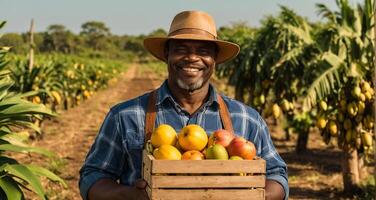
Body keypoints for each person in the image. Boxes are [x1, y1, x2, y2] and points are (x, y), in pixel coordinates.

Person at [79, 10, 288, 200]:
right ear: (166, 55)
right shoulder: (126, 116)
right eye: (181, 49)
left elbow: (277, 176)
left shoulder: (246, 118)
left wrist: (258, 195)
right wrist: (129, 195)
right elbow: (92, 177)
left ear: (214, 59)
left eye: (203, 51)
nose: (192, 58)